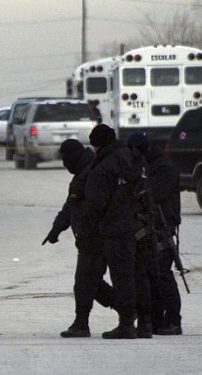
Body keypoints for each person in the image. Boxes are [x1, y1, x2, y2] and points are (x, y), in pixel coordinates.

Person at [43, 139, 115, 338]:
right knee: (91, 281)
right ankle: (128, 308)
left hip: (95, 237)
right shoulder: (84, 172)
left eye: (66, 160)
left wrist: (86, 229)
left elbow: (94, 207)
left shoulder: (90, 174)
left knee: (84, 281)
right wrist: (57, 229)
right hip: (90, 237)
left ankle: (81, 323)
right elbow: (70, 206)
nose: (65, 164)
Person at [85, 124, 145, 339]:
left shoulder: (105, 165)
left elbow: (96, 201)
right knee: (135, 275)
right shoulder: (133, 156)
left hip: (114, 228)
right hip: (137, 225)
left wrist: (89, 225)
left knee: (121, 277)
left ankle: (127, 323)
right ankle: (142, 323)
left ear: (98, 144)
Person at [127, 132, 183, 335]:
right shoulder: (148, 166)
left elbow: (154, 194)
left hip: (162, 227)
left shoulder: (163, 168)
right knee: (151, 274)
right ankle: (158, 319)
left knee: (162, 274)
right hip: (149, 227)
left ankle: (173, 320)